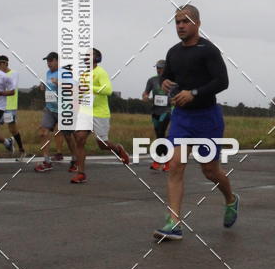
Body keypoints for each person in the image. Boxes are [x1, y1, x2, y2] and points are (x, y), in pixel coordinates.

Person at [153, 5, 238, 240]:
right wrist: (166, 82)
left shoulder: (208, 50)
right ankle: (174, 222)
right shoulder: (173, 52)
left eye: (185, 21)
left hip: (207, 118)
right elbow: (166, 77)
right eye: (177, 22)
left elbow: (222, 82)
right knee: (175, 164)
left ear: (197, 23)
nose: (181, 26)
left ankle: (231, 199)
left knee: (210, 170)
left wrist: (194, 93)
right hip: (182, 117)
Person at [71, 49, 130, 183]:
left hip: (100, 113)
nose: (86, 57)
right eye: (85, 55)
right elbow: (81, 93)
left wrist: (90, 88)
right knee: (79, 138)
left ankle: (118, 149)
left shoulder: (101, 72)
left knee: (102, 144)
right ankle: (81, 173)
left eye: (89, 55)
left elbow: (108, 90)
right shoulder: (83, 74)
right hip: (85, 112)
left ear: (97, 58)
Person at [35, 52, 76, 172]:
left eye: (51, 61)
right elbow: (49, 86)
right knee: (43, 132)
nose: (48, 63)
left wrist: (59, 83)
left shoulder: (65, 73)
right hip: (50, 108)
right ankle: (47, 161)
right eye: (47, 61)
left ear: (58, 61)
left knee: (68, 136)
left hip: (64, 109)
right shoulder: (48, 73)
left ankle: (75, 159)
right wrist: (42, 86)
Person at [142, 60, 172, 171]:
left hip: (167, 111)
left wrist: (173, 100)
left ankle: (158, 161)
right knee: (159, 136)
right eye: (157, 68)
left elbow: (176, 94)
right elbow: (146, 92)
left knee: (160, 133)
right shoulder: (152, 80)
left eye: (161, 68)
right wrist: (145, 96)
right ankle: (167, 161)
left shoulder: (172, 81)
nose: (158, 70)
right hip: (155, 111)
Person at [0, 55, 25, 161]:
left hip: (10, 107)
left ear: (5, 64)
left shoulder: (14, 74)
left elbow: (11, 88)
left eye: (0, 64)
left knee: (13, 130)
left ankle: (22, 150)